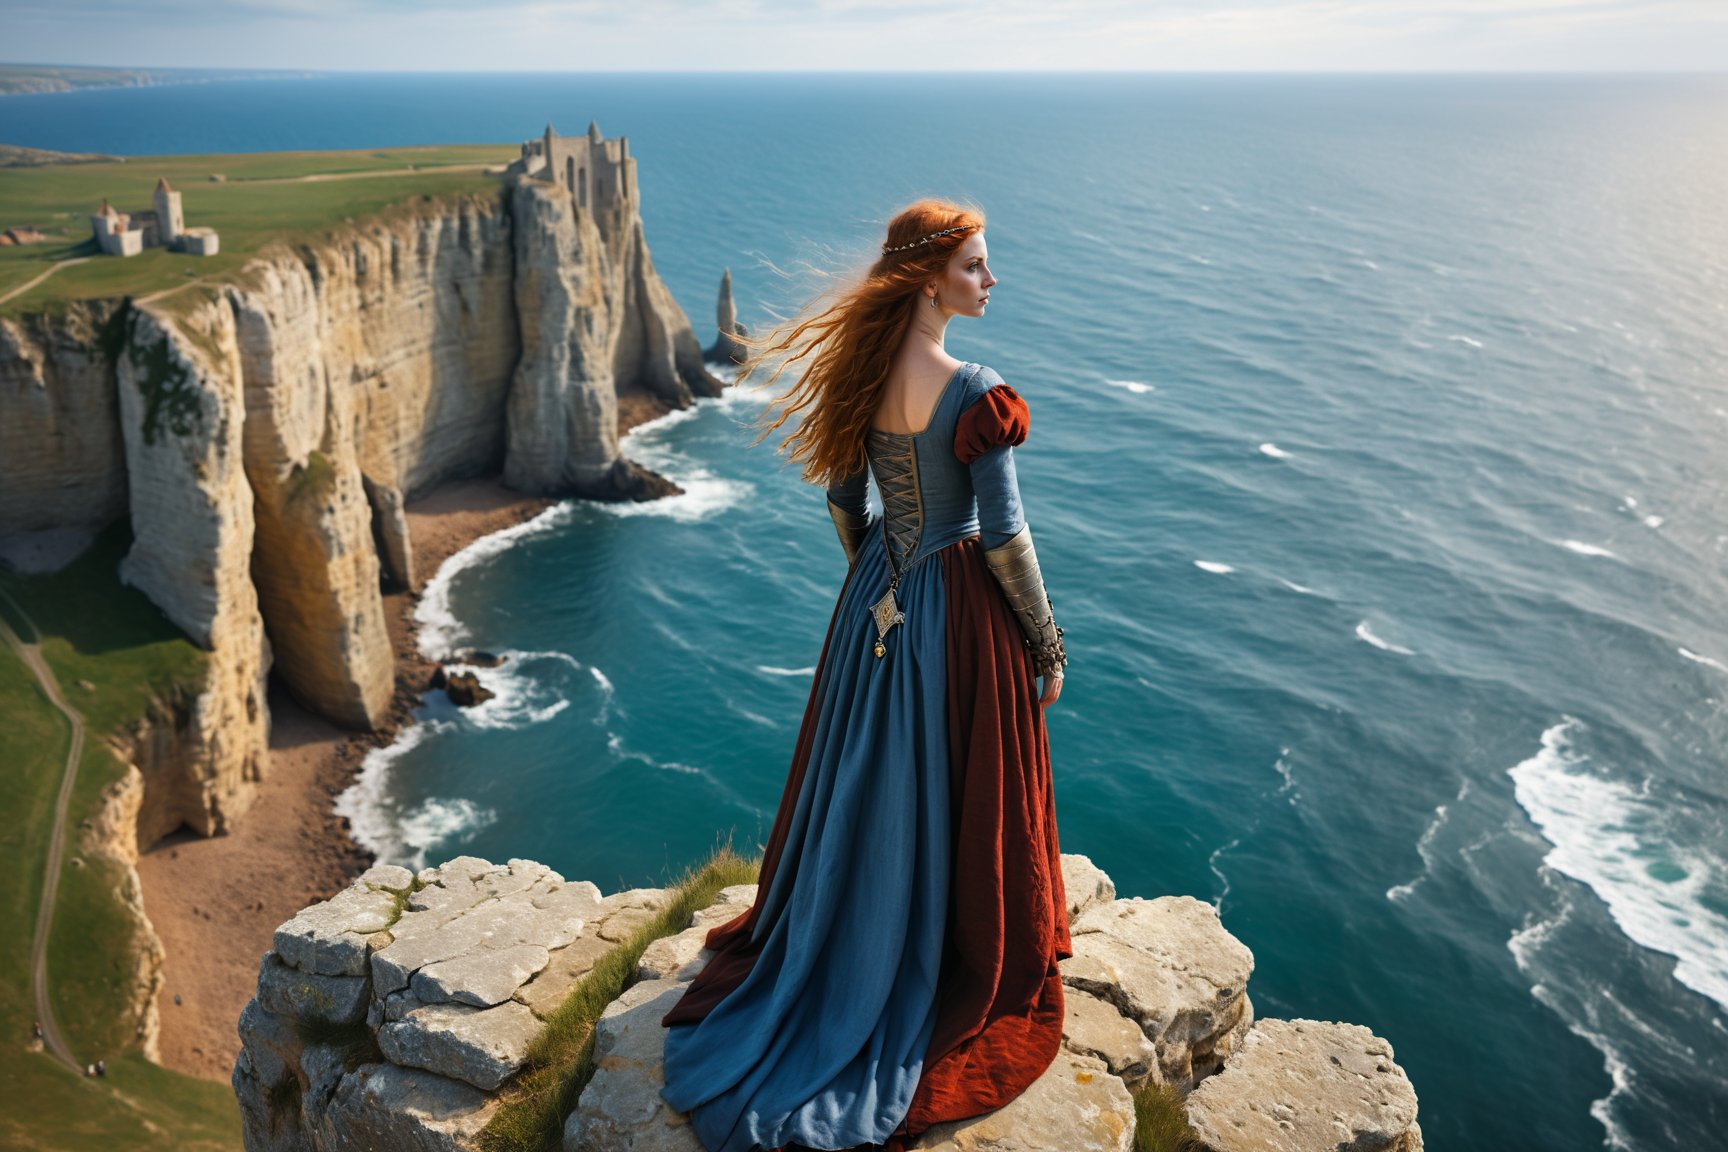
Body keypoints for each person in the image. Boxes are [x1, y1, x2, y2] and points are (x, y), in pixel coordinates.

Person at [658, 199, 1071, 1152]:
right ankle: (941, 942)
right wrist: (1045, 642)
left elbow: (848, 499)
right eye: (975, 265)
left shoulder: (865, 372)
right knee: (955, 781)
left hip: (875, 601)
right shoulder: (975, 389)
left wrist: (875, 579)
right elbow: (1003, 536)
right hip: (958, 607)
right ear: (929, 280)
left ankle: (850, 929)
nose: (989, 278)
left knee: (868, 772)